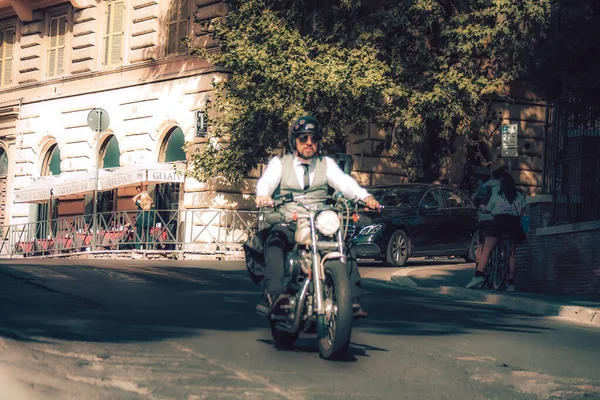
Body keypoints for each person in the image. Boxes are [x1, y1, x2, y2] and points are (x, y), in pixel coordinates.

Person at [255, 115, 380, 318]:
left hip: (320, 221)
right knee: (275, 241)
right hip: (290, 220)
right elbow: (267, 180)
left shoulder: (326, 163)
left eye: (313, 139)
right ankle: (276, 295)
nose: (309, 143)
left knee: (345, 244)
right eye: (303, 138)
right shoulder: (281, 163)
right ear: (294, 141)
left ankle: (353, 300)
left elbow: (344, 182)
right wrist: (263, 195)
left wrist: (365, 197)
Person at [466, 173, 526, 292]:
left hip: (499, 221)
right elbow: (522, 212)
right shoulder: (520, 195)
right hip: (514, 222)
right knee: (513, 254)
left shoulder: (498, 194)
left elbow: (488, 209)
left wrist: (483, 208)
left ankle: (479, 275)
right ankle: (511, 283)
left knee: (487, 250)